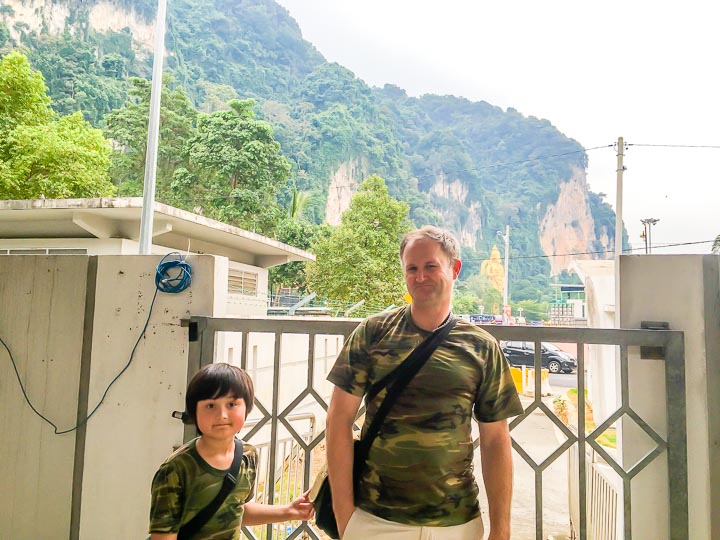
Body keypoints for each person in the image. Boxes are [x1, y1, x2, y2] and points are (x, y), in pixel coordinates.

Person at [325, 226, 523, 540]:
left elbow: (496, 439)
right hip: (374, 518)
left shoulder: (481, 346)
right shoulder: (373, 333)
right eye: (412, 269)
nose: (420, 277)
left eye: (431, 266)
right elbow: (338, 419)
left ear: (454, 269)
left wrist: (501, 530)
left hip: (456, 522)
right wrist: (344, 515)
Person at [149, 363, 314, 539]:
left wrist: (289, 511)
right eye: (211, 406)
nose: (222, 415)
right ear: (194, 412)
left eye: (231, 404)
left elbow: (236, 510)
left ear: (247, 408)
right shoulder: (175, 470)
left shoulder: (246, 456)